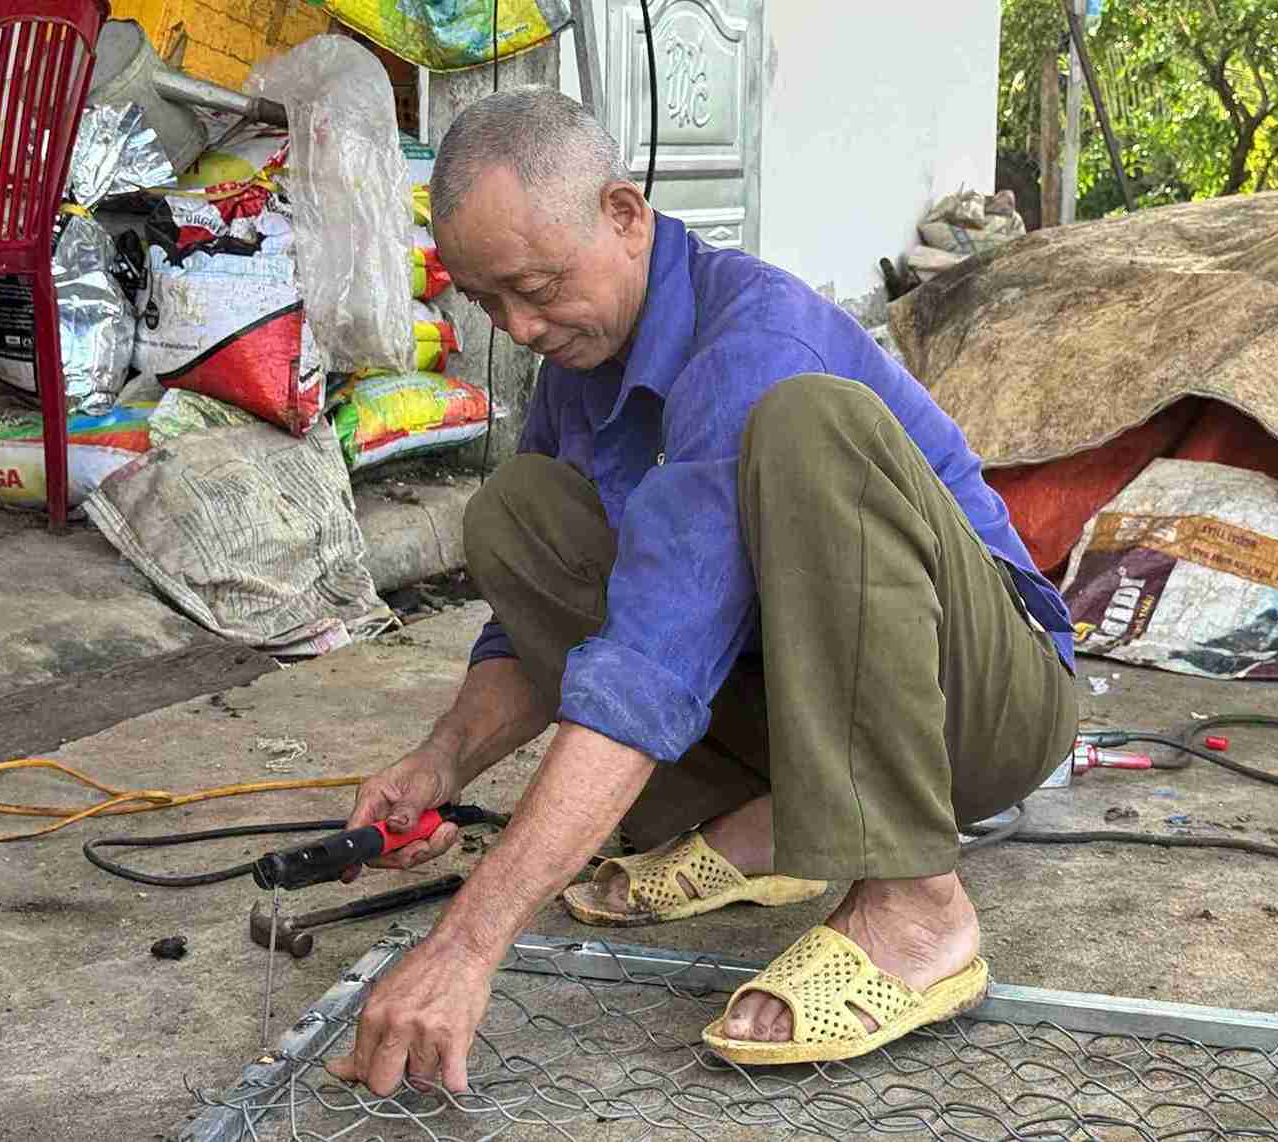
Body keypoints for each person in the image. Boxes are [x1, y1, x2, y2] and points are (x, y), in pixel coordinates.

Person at [328, 86, 1077, 1093]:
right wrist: (438, 761)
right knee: (518, 510)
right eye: (487, 303)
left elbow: (652, 662)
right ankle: (774, 822)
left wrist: (468, 940)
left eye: (536, 286)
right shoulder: (579, 366)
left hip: (982, 710)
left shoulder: (755, 341)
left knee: (810, 426)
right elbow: (540, 631)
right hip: (823, 706)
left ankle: (916, 906)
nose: (521, 324)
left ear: (625, 216)